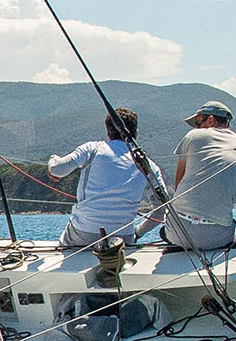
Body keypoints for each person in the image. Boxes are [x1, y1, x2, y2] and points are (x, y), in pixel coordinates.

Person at [47, 107, 155, 251]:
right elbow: (162, 209)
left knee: (67, 242)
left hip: (83, 234)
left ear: (108, 131)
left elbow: (57, 170)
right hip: (124, 239)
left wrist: (53, 159)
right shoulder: (148, 165)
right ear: (136, 134)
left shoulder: (93, 149)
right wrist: (138, 232)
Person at [164, 101, 236, 251]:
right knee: (231, 229)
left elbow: (179, 184)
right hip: (214, 238)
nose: (197, 128)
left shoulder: (193, 136)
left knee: (166, 229)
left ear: (210, 120)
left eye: (198, 123)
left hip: (176, 231)